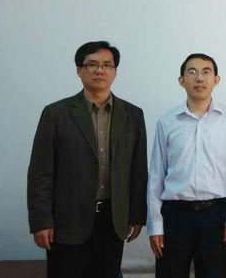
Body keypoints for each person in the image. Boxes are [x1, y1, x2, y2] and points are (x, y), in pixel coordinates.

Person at [27, 41, 148, 278]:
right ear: (79, 70)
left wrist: (136, 215)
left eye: (107, 65)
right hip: (67, 219)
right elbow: (40, 173)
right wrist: (41, 221)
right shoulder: (56, 113)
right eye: (92, 64)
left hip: (113, 219)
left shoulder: (133, 115)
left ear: (115, 72)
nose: (100, 70)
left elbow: (138, 170)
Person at [147, 53, 226, 278]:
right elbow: (156, 175)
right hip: (174, 215)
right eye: (192, 72)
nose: (199, 78)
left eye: (206, 72)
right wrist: (155, 224)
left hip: (215, 215)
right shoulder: (167, 121)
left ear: (216, 80)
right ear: (181, 81)